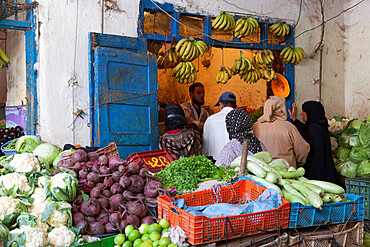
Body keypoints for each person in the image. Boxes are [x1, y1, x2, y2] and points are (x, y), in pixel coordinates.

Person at [289, 101, 339, 183]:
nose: (301, 114)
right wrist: (295, 120)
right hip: (326, 173)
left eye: (303, 111)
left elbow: (317, 154)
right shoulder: (318, 126)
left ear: (309, 113)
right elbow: (306, 131)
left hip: (320, 175)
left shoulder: (314, 129)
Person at [253, 96, 310, 168]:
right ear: (281, 109)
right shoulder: (288, 127)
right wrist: (298, 164)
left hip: (263, 171)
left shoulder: (255, 126)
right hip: (287, 172)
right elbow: (303, 150)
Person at [201, 92, 237, 160]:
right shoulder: (242, 119)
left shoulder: (210, 120)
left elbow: (204, 149)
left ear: (221, 105)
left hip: (215, 165)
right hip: (237, 165)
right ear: (235, 107)